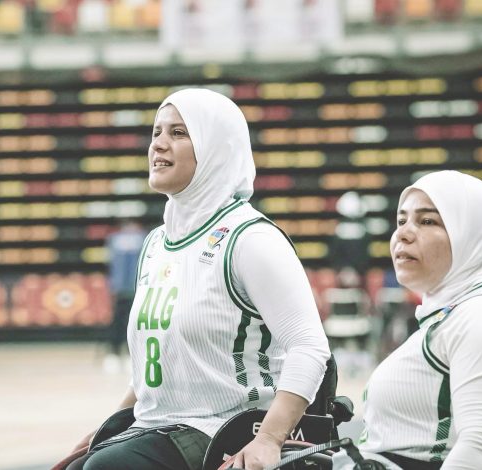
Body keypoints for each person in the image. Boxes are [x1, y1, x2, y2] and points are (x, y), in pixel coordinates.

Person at [60, 88, 331, 470]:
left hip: (228, 428)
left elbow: (310, 348)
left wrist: (269, 440)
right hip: (160, 427)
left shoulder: (250, 239)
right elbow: (154, 371)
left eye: (178, 133)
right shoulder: (156, 243)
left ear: (216, 148)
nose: (159, 144)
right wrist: (108, 429)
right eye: (156, 132)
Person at [334, 170, 482, 469]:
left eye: (427, 221)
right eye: (401, 221)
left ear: (472, 235)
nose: (403, 234)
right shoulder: (454, 314)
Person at [103, 219, 146, 374]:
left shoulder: (143, 238)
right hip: (122, 289)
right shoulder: (115, 239)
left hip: (135, 288)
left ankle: (130, 355)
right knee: (118, 323)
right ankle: (114, 354)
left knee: (132, 323)